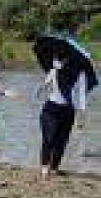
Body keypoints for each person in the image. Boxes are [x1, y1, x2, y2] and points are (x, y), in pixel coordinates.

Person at [37, 51, 89, 179]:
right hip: (51, 108)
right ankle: (44, 169)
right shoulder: (55, 69)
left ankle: (54, 168)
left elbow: (82, 95)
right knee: (49, 137)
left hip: (68, 111)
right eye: (62, 59)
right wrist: (41, 88)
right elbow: (46, 83)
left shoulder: (80, 74)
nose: (64, 61)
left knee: (61, 142)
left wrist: (82, 115)